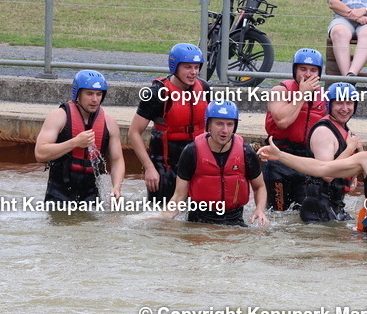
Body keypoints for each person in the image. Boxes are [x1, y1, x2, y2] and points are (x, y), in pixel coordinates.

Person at [162, 101, 268, 226]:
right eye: (219, 124)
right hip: (199, 222)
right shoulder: (191, 152)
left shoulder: (246, 152)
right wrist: (162, 219)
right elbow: (179, 197)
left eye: (230, 124)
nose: (225, 130)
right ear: (208, 125)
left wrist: (260, 210)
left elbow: (259, 187)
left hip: (234, 221)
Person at [128, 43, 210, 202]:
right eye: (188, 67)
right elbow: (133, 133)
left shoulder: (204, 88)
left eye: (196, 67)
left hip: (195, 162)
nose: (193, 72)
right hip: (165, 167)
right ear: (175, 67)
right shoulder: (157, 93)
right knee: (161, 213)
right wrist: (149, 168)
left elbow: (211, 128)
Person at [35, 70, 124, 203]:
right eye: (89, 94)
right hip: (59, 192)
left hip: (91, 194)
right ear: (78, 94)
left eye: (99, 94)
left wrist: (117, 187)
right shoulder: (59, 116)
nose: (95, 99)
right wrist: (74, 142)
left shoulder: (109, 122)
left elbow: (117, 160)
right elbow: (40, 154)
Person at [262, 48, 328, 211]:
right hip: (278, 159)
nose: (307, 74)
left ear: (319, 73)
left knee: (304, 214)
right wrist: (302, 94)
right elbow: (282, 121)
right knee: (277, 213)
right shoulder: (279, 91)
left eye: (313, 70)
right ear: (295, 70)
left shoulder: (324, 97)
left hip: (306, 161)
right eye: (303, 69)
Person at [299, 82, 363, 223]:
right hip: (317, 207)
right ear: (329, 105)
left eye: (349, 103)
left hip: (334, 205)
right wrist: (350, 149)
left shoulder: (344, 129)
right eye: (339, 103)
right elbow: (327, 174)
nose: (345, 108)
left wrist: (353, 176)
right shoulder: (323, 132)